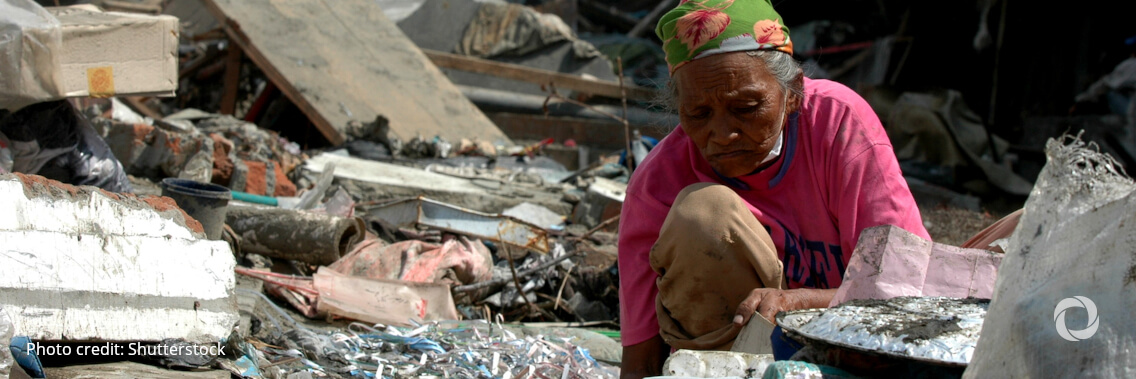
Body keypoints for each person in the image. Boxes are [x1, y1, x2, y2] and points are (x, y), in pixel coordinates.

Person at [617, 1, 932, 377]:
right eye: (698, 115)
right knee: (704, 215)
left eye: (747, 107)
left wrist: (798, 302)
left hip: (857, 350)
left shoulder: (838, 124)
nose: (722, 134)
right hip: (735, 360)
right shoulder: (658, 184)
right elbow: (641, 357)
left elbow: (905, 282)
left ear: (793, 93)